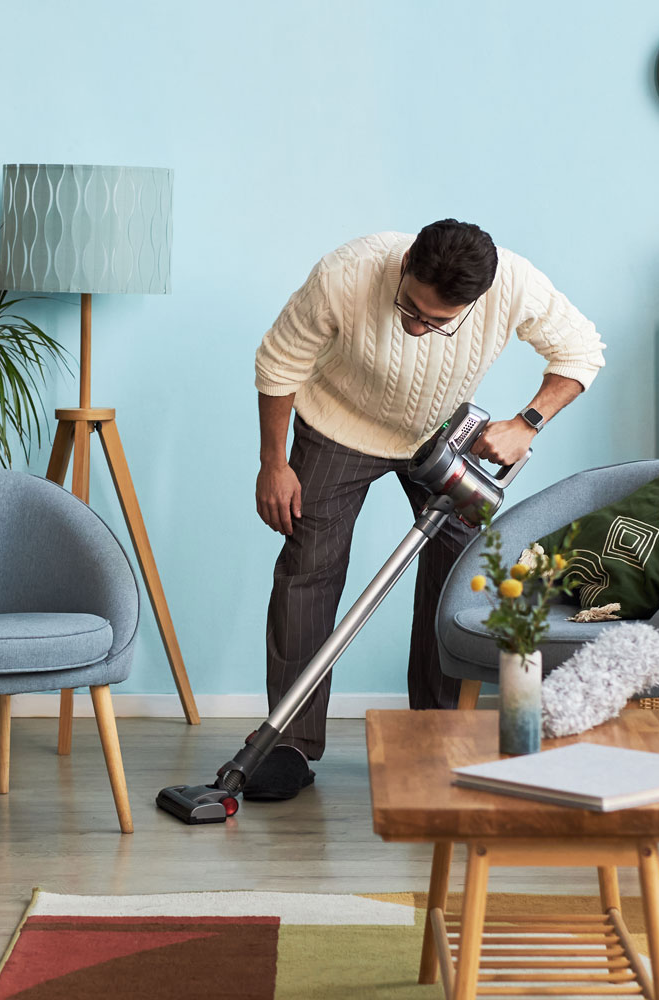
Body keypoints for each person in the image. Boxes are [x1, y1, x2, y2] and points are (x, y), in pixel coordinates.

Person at [249, 219, 606, 799]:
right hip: (338, 425)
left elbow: (582, 351)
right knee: (307, 570)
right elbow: (279, 362)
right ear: (407, 262)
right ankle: (287, 742)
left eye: (437, 322)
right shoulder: (346, 273)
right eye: (409, 308)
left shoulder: (512, 282)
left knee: (457, 580)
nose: (417, 328)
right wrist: (273, 463)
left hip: (441, 436)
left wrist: (527, 423)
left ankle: (433, 733)